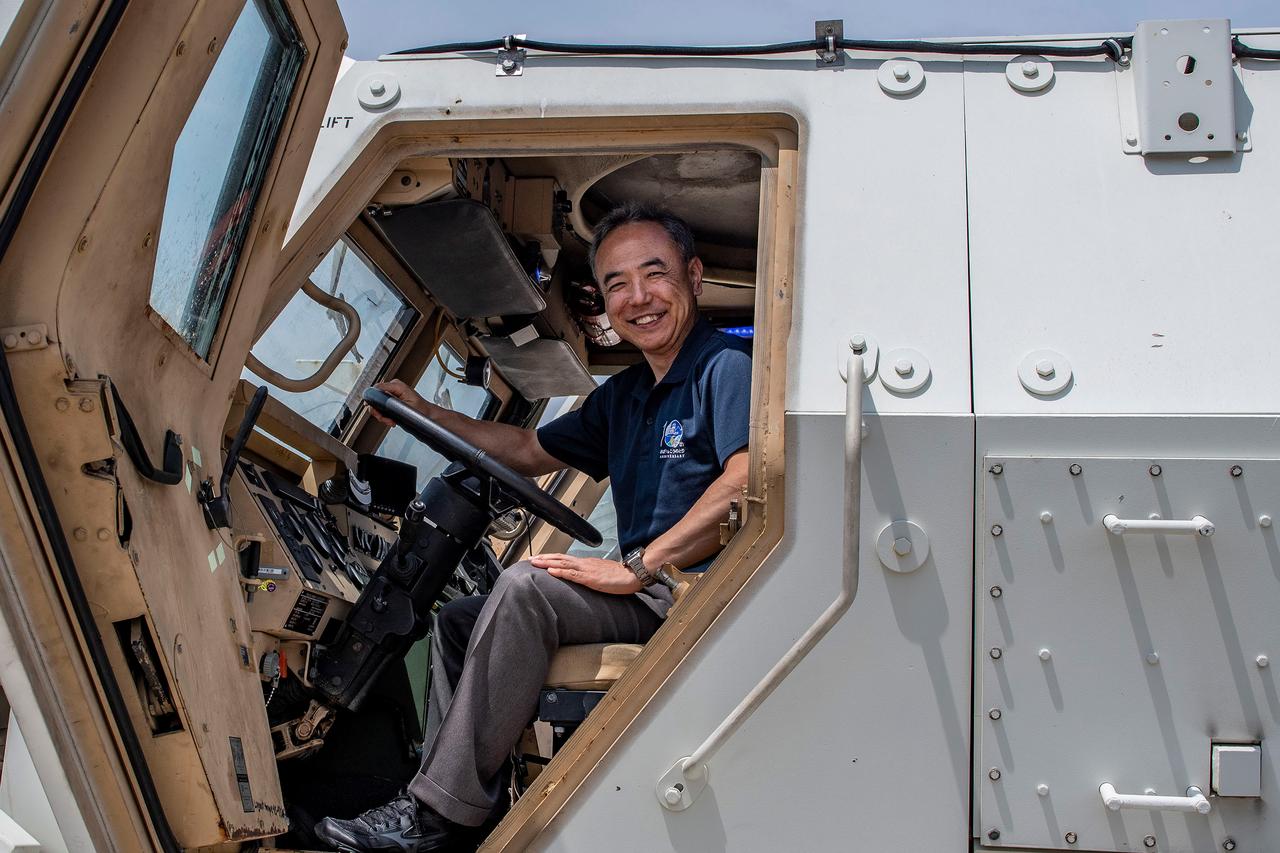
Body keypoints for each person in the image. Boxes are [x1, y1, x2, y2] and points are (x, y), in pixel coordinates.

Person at [315, 202, 752, 852]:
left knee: (523, 588)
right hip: (647, 592)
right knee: (461, 617)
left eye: (653, 274)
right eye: (616, 285)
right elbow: (524, 449)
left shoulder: (725, 369)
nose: (638, 298)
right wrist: (426, 410)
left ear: (691, 275)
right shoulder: (627, 395)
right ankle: (451, 809)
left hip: (690, 597)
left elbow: (746, 478)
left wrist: (636, 564)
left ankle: (432, 818)